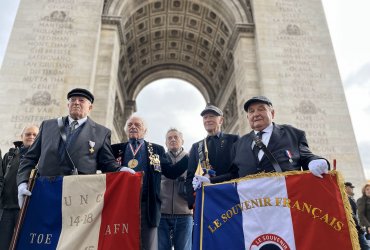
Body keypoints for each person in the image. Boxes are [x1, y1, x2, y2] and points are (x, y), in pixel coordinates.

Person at [17, 88, 122, 207]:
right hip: (44, 189)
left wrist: (120, 170)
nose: (76, 102)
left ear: (90, 107)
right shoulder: (48, 125)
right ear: (68, 105)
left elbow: (107, 163)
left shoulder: (102, 133)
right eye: (73, 100)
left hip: (77, 195)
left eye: (81, 100)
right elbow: (30, 158)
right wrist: (23, 183)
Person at [112, 115, 188, 250]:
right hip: (122, 204)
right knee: (123, 244)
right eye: (130, 125)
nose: (133, 127)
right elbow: (103, 165)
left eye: (137, 125)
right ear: (125, 130)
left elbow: (171, 172)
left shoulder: (156, 150)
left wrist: (191, 157)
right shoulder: (115, 149)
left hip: (148, 206)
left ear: (145, 130)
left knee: (148, 246)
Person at [231, 96, 329, 177]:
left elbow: (307, 157)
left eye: (261, 109)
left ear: (272, 113)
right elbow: (233, 175)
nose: (256, 114)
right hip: (253, 199)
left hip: (286, 197)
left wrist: (316, 161)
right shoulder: (238, 144)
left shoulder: (293, 134)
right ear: (248, 117)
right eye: (251, 111)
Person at [186, 105, 239, 209]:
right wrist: (192, 202)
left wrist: (212, 181)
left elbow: (238, 170)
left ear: (221, 120)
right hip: (205, 199)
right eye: (205, 117)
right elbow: (190, 177)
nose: (208, 120)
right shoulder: (196, 146)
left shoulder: (234, 140)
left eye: (212, 116)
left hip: (229, 196)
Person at [0, 125, 39, 250]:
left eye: (34, 135)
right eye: (28, 134)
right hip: (6, 209)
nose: (31, 137)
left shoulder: (43, 156)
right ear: (21, 137)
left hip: (28, 210)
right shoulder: (10, 155)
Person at [158, 128, 192, 250]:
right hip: (162, 215)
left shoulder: (192, 159)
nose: (172, 140)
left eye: (176, 137)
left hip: (185, 215)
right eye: (169, 138)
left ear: (182, 141)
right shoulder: (159, 159)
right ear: (166, 143)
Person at [345, 182, 370, 249]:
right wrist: (359, 227)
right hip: (356, 229)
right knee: (365, 247)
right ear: (346, 188)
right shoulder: (346, 200)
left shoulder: (351, 199)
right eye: (351, 187)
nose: (352, 189)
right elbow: (352, 215)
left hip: (359, 229)